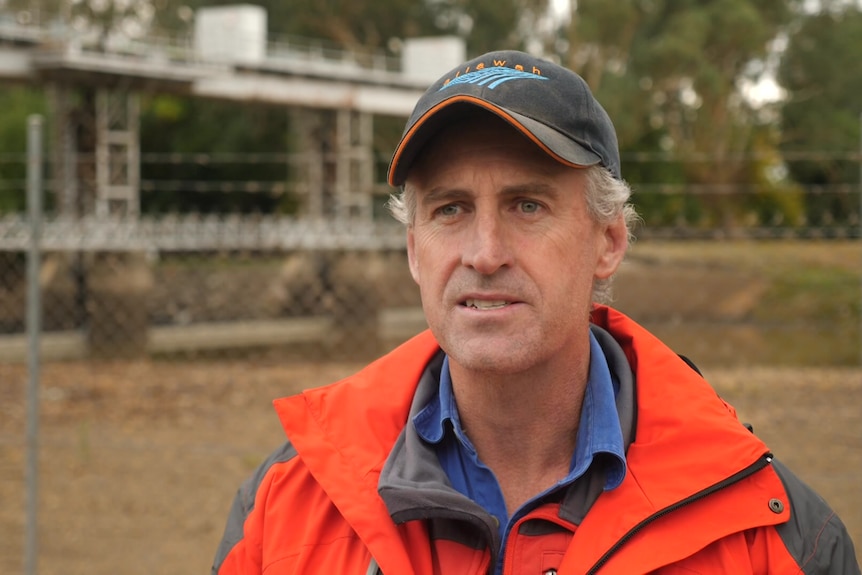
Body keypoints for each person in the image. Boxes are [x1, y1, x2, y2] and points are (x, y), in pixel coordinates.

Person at [212, 50, 859, 574]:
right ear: (414, 251)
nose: (484, 253)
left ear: (609, 240)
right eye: (450, 209)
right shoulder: (283, 508)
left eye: (528, 205)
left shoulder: (770, 536)